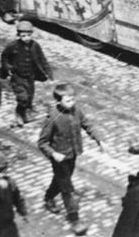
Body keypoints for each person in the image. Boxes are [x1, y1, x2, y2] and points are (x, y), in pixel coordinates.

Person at [37, 83, 105, 236]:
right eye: (68, 100)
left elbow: (87, 125)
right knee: (68, 189)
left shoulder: (77, 110)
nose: (72, 102)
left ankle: (48, 197)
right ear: (58, 100)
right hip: (59, 158)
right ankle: (74, 219)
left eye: (73, 99)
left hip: (72, 155)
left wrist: (99, 139)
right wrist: (53, 154)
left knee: (61, 180)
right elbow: (41, 143)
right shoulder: (53, 117)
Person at [0, 20, 53, 127]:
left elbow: (42, 59)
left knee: (29, 97)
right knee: (22, 98)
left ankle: (25, 114)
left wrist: (48, 72)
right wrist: (8, 67)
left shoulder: (35, 45)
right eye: (23, 36)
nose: (27, 38)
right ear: (18, 35)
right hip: (17, 76)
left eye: (29, 35)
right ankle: (19, 113)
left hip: (30, 77)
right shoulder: (12, 46)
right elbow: (4, 57)